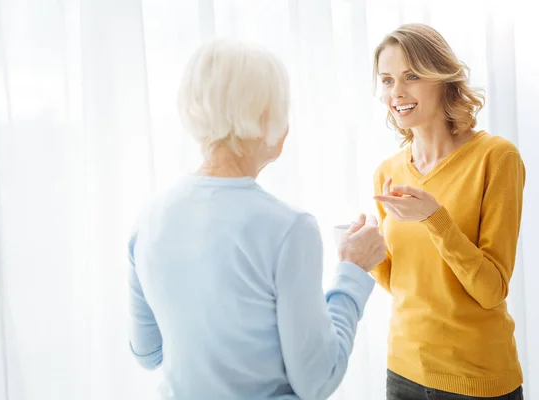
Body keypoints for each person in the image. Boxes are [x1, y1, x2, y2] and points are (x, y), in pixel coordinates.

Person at [127, 39, 386, 400]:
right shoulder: (290, 229)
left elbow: (147, 352)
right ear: (266, 115)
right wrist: (353, 270)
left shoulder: (148, 220)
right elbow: (318, 380)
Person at [371, 23, 525, 399]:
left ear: (443, 79)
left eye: (412, 76)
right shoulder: (388, 172)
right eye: (387, 80)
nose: (398, 92)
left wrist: (436, 220)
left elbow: (491, 290)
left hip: (476, 377)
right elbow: (405, 284)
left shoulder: (495, 158)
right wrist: (368, 255)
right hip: (403, 370)